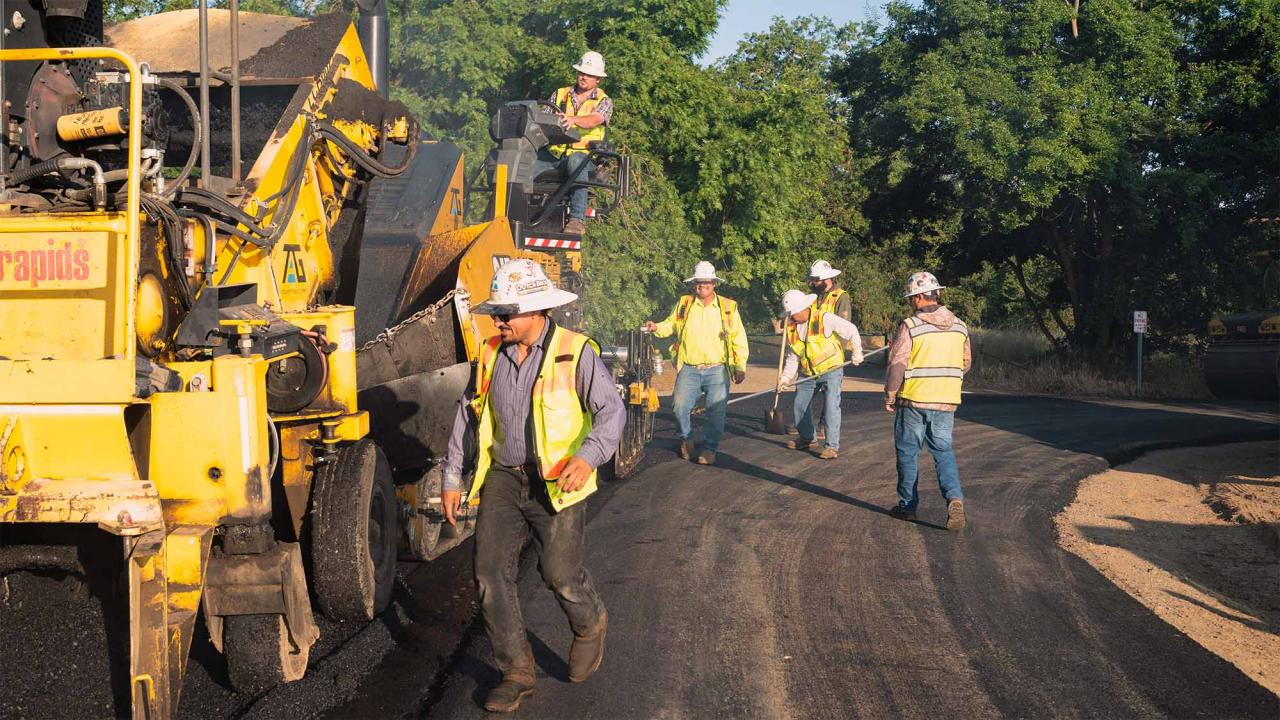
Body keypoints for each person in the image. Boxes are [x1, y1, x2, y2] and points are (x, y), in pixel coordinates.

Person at [441, 259, 623, 712]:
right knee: (488, 575)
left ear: (537, 311)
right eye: (495, 313)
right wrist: (450, 477)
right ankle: (516, 672)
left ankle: (589, 621)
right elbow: (467, 416)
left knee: (558, 575)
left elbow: (612, 413)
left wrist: (587, 457)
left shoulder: (574, 352)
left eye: (507, 313)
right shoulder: (488, 354)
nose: (498, 321)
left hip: (557, 480)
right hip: (503, 477)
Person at [883, 271, 972, 531]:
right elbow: (965, 364)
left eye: (912, 298)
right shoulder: (960, 326)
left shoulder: (911, 326)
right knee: (943, 452)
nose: (911, 302)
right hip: (947, 400)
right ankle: (954, 499)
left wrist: (890, 394)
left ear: (920, 296)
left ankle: (908, 506)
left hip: (914, 398)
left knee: (908, 453)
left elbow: (898, 365)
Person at [642, 261, 749, 465]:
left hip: (717, 369)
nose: (703, 285)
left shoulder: (728, 307)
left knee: (716, 412)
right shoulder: (685, 304)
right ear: (695, 284)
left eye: (707, 282)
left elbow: (739, 339)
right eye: (699, 282)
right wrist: (655, 326)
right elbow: (670, 325)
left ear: (714, 284)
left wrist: (740, 366)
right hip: (689, 368)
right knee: (678, 407)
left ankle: (709, 449)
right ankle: (686, 438)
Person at [779, 289, 864, 460]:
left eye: (793, 313)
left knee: (832, 405)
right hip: (808, 373)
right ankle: (807, 438)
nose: (791, 317)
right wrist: (786, 377)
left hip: (831, 369)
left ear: (804, 308)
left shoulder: (824, 318)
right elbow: (793, 356)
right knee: (800, 404)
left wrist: (857, 351)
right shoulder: (792, 328)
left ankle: (832, 446)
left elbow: (851, 329)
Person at [537, 50, 613, 235]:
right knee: (521, 160)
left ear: (598, 79)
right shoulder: (560, 94)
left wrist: (572, 120)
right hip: (554, 155)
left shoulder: (604, 101)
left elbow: (595, 119)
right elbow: (543, 117)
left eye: (589, 74)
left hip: (586, 158)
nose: (583, 76)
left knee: (576, 161)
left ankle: (577, 220)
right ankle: (505, 214)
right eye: (581, 72)